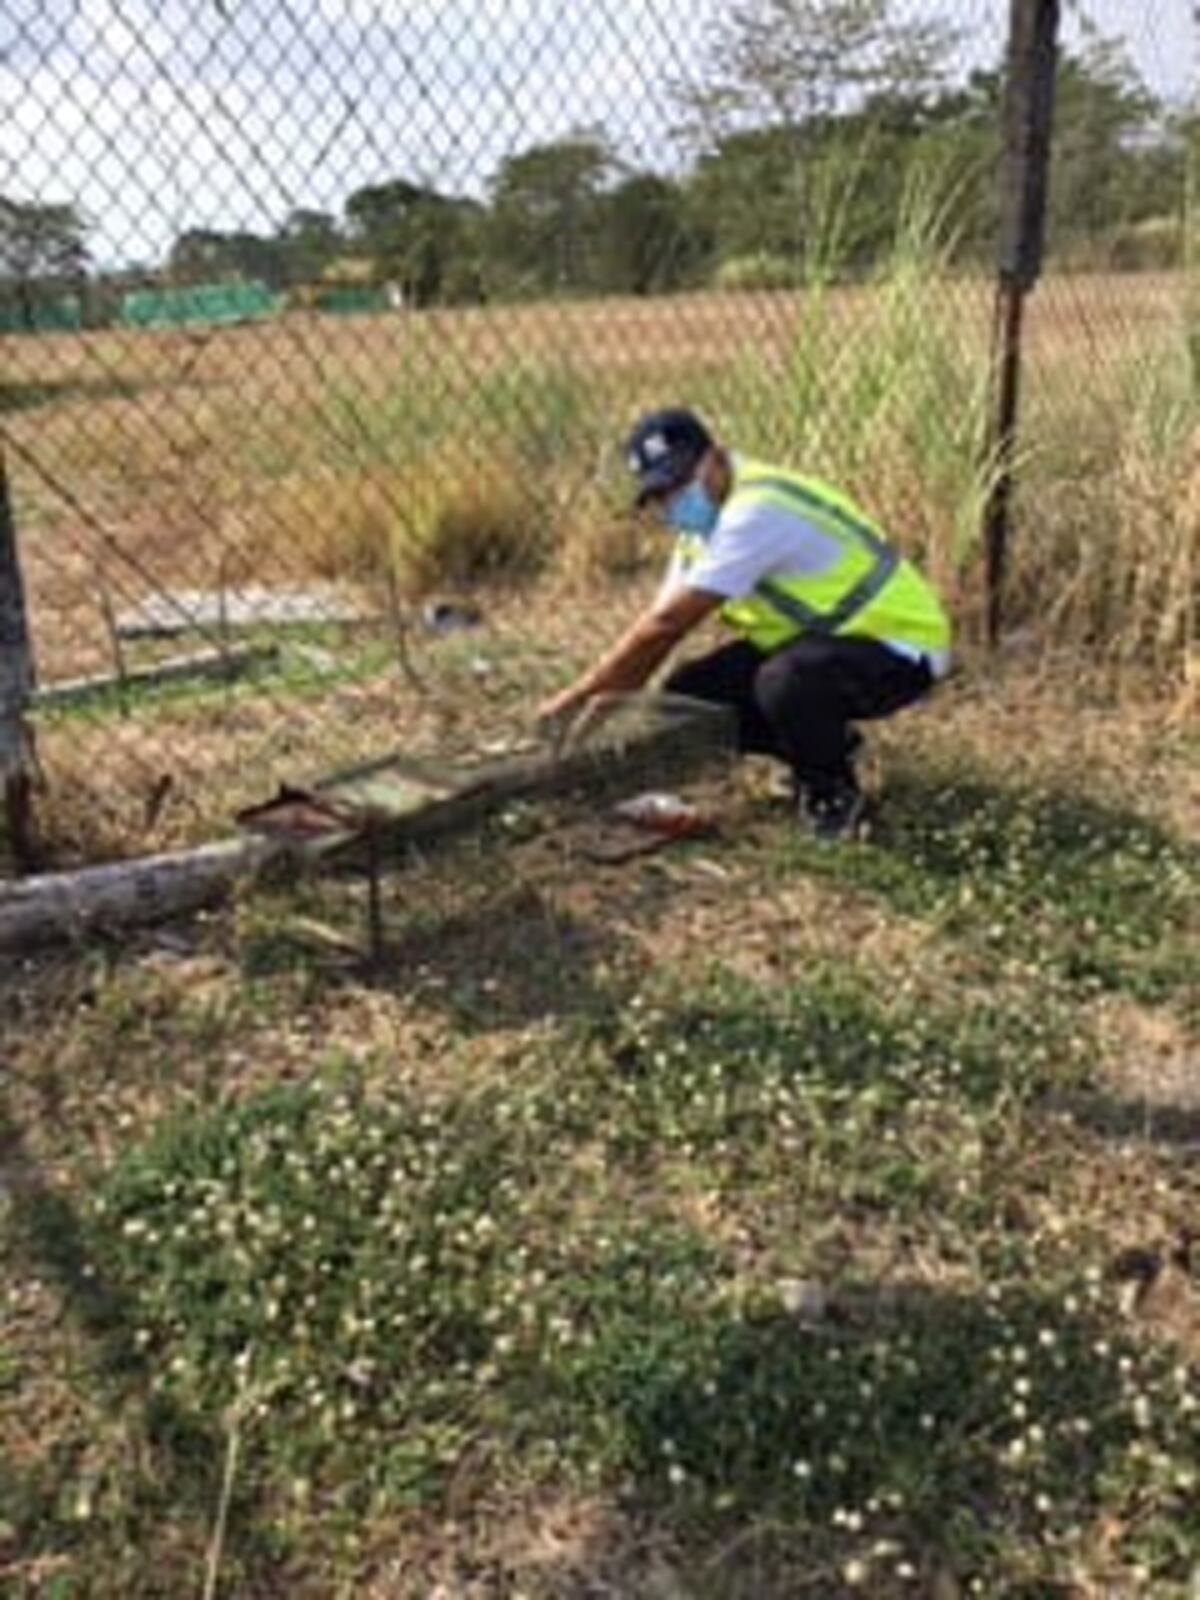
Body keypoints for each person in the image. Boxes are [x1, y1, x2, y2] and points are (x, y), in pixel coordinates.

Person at [537, 406, 951, 839]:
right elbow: (654, 628)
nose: (673, 502)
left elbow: (664, 629)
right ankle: (827, 748)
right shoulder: (700, 533)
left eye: (680, 483)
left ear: (714, 456)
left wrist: (576, 701)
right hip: (825, 644)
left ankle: (833, 797)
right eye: (660, 494)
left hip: (900, 645)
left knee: (785, 682)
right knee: (690, 694)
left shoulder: (757, 510)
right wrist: (590, 722)